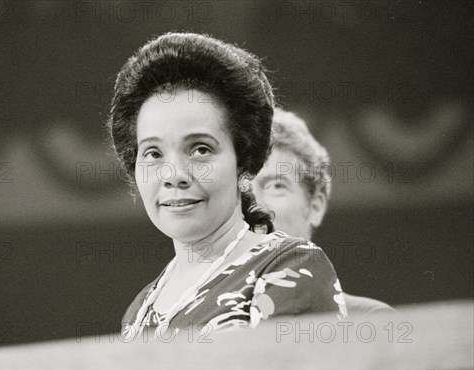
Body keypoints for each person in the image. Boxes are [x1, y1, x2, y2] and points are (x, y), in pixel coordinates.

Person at [109, 33, 348, 341]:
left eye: (200, 149)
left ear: (244, 161)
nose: (175, 174)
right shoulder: (139, 310)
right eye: (153, 153)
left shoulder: (288, 266)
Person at [252, 108, 393, 315]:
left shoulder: (371, 320)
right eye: (241, 190)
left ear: (315, 206)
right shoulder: (198, 327)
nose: (254, 206)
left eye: (276, 186)